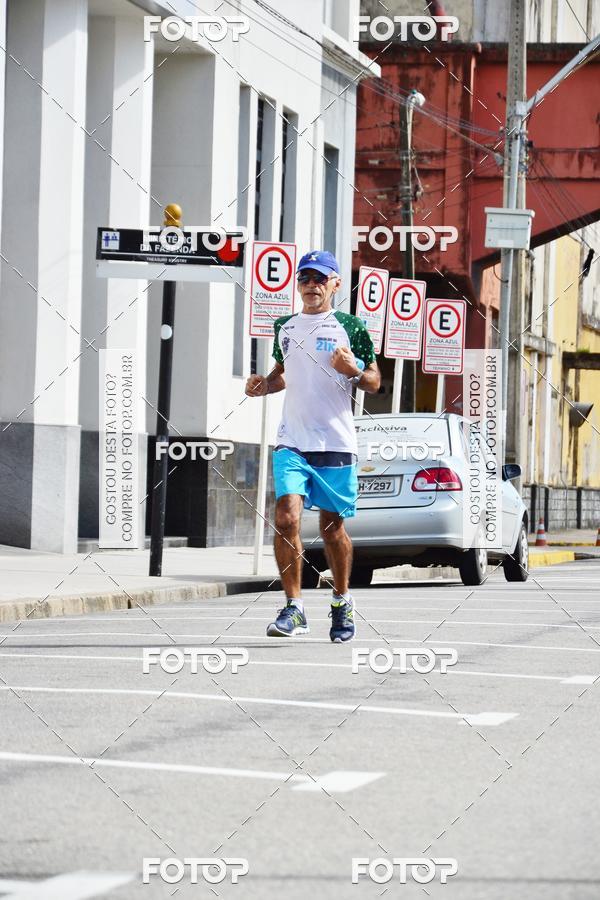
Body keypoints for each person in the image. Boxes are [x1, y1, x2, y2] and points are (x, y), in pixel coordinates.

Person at [245, 250, 381, 642]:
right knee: (286, 517)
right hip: (292, 440)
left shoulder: (350, 327)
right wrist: (262, 385)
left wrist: (353, 370)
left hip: (335, 442)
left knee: (332, 528)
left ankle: (342, 600)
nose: (311, 285)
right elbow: (282, 374)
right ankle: (294, 607)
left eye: (320, 278)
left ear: (335, 284)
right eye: (305, 278)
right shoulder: (284, 327)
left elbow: (374, 381)